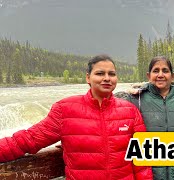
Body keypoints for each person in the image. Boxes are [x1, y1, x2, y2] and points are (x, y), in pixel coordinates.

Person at [0, 54, 153, 180]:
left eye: (111, 74)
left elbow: (142, 162)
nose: (107, 78)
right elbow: (28, 139)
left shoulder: (130, 111)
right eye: (100, 73)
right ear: (88, 78)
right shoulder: (65, 109)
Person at [122, 56, 174, 180]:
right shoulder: (137, 99)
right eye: (156, 71)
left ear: (173, 75)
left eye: (165, 71)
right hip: (150, 173)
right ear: (148, 75)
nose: (160, 75)